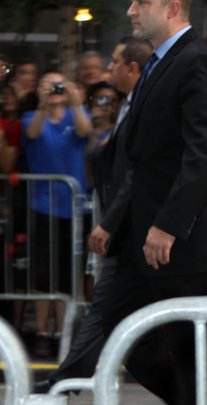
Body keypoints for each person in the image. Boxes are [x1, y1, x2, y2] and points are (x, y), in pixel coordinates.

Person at [96, 0, 207, 405]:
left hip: (183, 240)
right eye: (132, 1)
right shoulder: (160, 62)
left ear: (172, 8)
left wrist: (170, 224)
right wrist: (116, 222)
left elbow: (205, 153)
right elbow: (144, 158)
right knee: (120, 326)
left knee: (191, 352)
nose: (130, 10)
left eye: (141, 2)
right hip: (144, 236)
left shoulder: (199, 62)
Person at [37, 36, 152, 393]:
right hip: (128, 229)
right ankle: (62, 384)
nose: (107, 68)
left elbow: (137, 173)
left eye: (114, 62)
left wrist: (107, 222)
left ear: (132, 68)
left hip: (139, 227)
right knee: (104, 307)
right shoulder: (129, 105)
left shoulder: (146, 106)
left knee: (140, 310)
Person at [22, 70, 92, 358]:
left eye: (59, 84)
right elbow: (32, 133)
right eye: (48, 85)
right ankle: (42, 331)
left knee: (66, 273)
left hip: (73, 206)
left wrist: (75, 102)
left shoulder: (78, 114)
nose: (54, 90)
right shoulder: (30, 117)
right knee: (43, 274)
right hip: (43, 205)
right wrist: (42, 104)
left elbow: (85, 132)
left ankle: (62, 332)